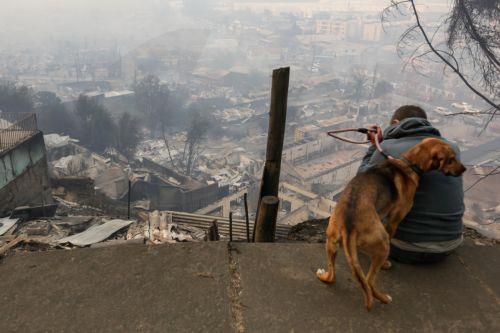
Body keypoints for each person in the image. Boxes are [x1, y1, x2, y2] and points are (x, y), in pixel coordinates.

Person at [358, 105, 464, 264]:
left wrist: (375, 145)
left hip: (403, 247)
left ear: (395, 122)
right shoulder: (452, 149)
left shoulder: (388, 148)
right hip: (449, 244)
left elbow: (361, 183)